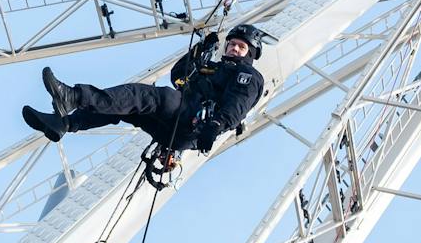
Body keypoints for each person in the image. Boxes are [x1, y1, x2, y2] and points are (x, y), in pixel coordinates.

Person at [21, 24, 267, 154]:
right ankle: (66, 124)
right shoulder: (211, 68)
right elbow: (179, 76)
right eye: (232, 44)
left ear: (251, 53)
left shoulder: (247, 76)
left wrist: (214, 127)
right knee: (125, 107)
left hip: (192, 123)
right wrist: (199, 50)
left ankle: (73, 96)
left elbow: (237, 105)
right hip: (174, 127)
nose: (234, 49)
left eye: (241, 47)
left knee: (143, 95)